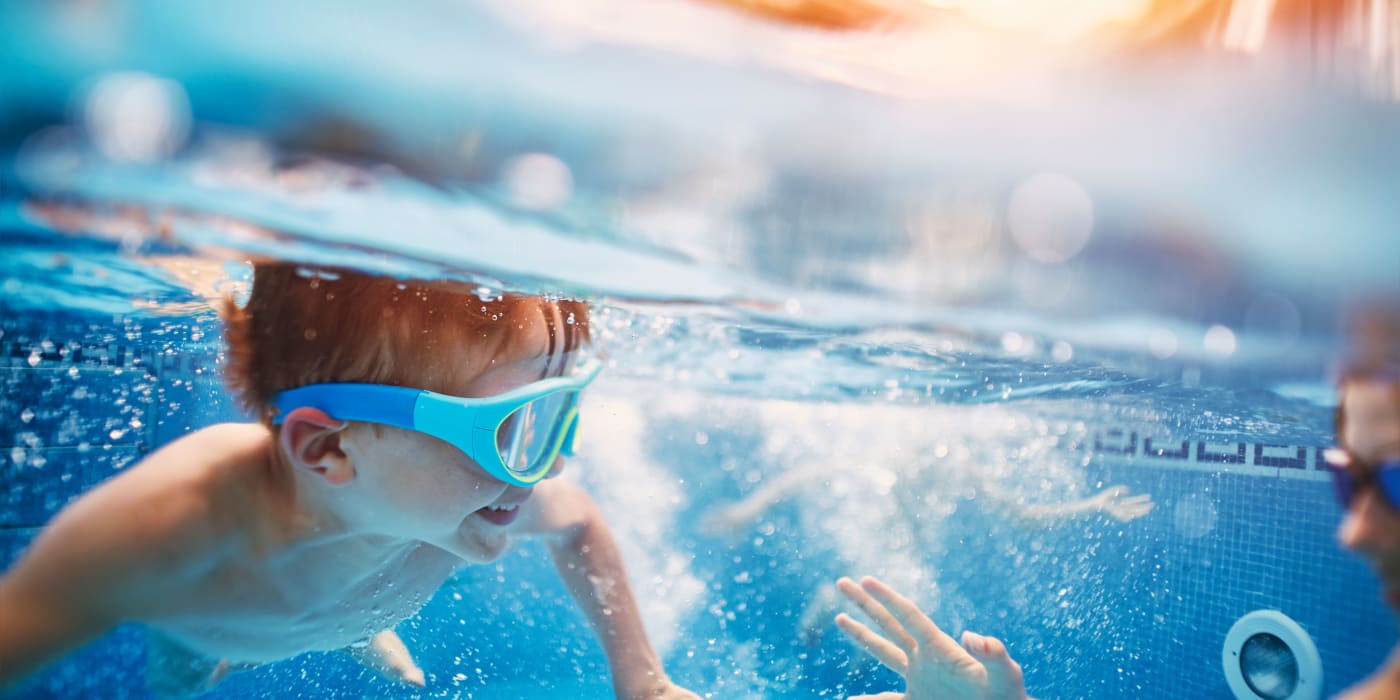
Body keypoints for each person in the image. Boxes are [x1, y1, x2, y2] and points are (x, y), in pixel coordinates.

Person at [0, 262, 699, 699]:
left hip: (348, 597)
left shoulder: (460, 508)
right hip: (208, 633)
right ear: (332, 448)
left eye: (559, 416)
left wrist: (643, 680)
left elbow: (580, 522)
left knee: (350, 606)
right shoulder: (172, 527)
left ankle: (356, 633)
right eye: (515, 427)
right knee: (175, 682)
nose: (549, 465)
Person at [830, 363, 1400, 700]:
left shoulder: (956, 465)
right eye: (1352, 484)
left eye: (1394, 480)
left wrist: (1090, 504)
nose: (1353, 532)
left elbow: (1022, 513)